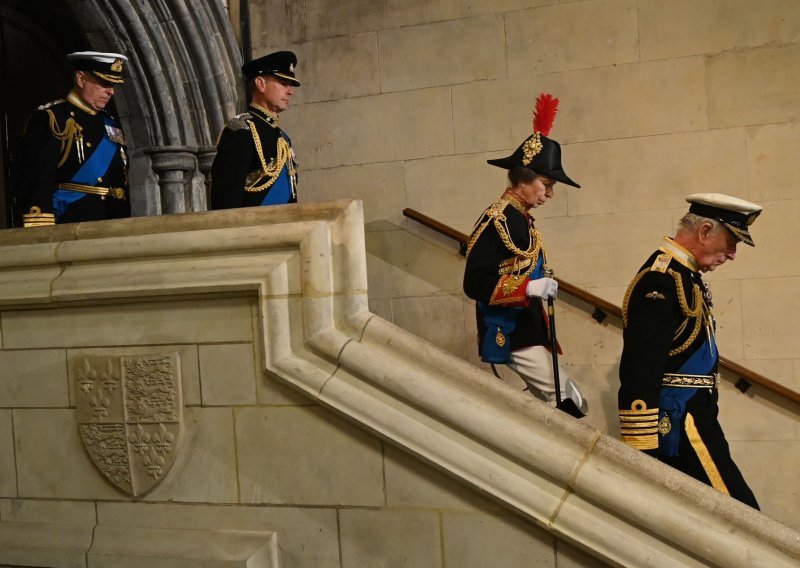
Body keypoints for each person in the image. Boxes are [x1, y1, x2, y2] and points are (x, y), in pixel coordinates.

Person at [618, 193, 762, 509]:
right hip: (680, 421)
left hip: (695, 415)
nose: (734, 254)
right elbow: (641, 364)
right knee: (741, 515)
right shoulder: (661, 278)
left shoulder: (684, 274)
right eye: (731, 241)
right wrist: (641, 441)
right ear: (705, 231)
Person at [463, 93, 588, 417]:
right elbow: (475, 282)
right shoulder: (499, 219)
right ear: (522, 179)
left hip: (531, 328)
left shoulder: (521, 220)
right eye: (545, 183)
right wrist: (528, 288)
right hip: (512, 329)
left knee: (567, 401)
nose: (550, 193)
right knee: (566, 404)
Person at [19, 51, 130, 227]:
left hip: (113, 219)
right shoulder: (52, 118)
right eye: (104, 82)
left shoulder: (109, 122)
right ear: (80, 79)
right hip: (72, 221)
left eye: (114, 84)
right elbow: (38, 180)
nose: (111, 91)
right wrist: (40, 229)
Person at [210, 51, 300, 209]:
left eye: (291, 85)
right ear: (260, 84)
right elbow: (226, 202)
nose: (290, 91)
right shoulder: (242, 130)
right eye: (283, 83)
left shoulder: (282, 137)